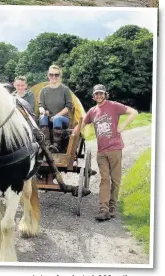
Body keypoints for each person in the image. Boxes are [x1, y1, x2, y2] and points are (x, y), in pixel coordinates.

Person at [81, 84, 138, 221]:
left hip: (115, 148)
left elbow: (134, 112)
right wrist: (75, 133)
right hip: (101, 151)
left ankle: (112, 208)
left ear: (105, 94)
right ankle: (103, 210)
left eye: (101, 93)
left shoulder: (113, 106)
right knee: (104, 179)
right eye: (96, 94)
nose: (99, 96)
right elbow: (82, 123)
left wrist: (122, 126)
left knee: (116, 179)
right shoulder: (92, 111)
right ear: (93, 96)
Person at [38, 65, 73, 153]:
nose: (53, 77)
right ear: (48, 75)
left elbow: (68, 107)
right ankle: (47, 144)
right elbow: (41, 105)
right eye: (51, 74)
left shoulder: (65, 89)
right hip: (48, 119)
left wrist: (56, 116)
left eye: (56, 75)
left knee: (57, 119)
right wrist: (42, 111)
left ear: (59, 76)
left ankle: (56, 145)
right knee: (42, 118)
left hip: (62, 119)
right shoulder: (43, 90)